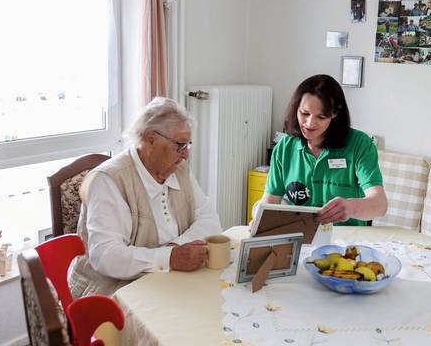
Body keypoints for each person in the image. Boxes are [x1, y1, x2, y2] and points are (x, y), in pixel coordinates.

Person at [68, 98, 222, 297]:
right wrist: (170, 258)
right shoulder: (109, 180)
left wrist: (175, 248)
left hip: (165, 281)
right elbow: (106, 256)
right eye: (180, 145)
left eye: (187, 145)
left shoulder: (178, 169)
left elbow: (210, 220)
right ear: (150, 140)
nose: (186, 155)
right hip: (109, 291)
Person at [255, 75, 387, 226]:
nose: (310, 123)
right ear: (296, 108)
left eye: (321, 116)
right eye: (304, 113)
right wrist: (259, 215)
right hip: (300, 238)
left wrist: (351, 208)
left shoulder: (359, 144)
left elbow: (380, 205)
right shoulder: (285, 147)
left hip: (346, 243)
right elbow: (271, 199)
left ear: (335, 113)